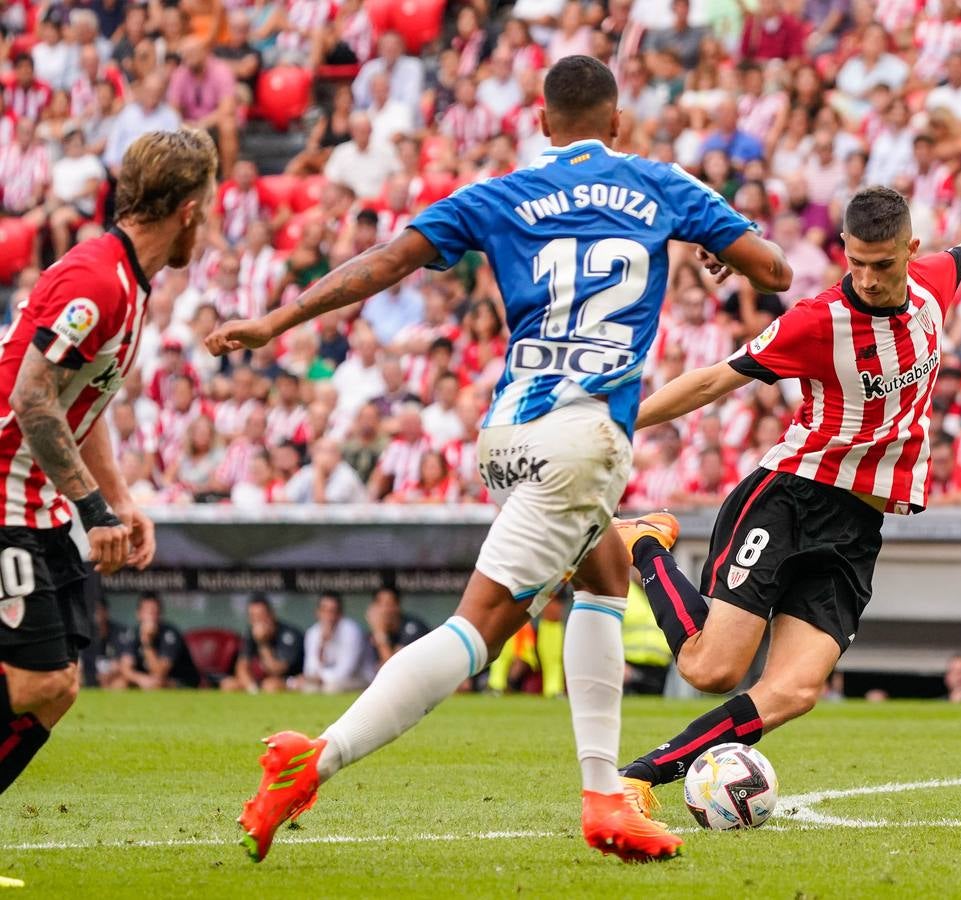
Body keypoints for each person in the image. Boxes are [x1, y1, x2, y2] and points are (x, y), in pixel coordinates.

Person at [207, 56, 790, 863]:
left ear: (542, 122)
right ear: (615, 123)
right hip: (584, 439)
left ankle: (603, 795)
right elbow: (774, 269)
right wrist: (715, 246)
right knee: (478, 628)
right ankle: (315, 762)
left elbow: (384, 262)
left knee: (606, 571)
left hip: (506, 436)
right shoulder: (659, 182)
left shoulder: (499, 193)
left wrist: (276, 322)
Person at [614, 132, 961, 812]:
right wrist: (618, 425)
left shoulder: (934, 281)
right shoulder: (816, 323)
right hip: (788, 496)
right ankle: (644, 542)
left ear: (910, 251)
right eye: (856, 262)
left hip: (856, 523)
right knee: (710, 668)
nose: (868, 278)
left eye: (881, 264)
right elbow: (710, 382)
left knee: (793, 691)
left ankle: (638, 777)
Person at [0, 128, 214, 795]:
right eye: (205, 206)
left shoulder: (127, 280)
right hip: (3, 493)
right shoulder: (100, 281)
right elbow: (31, 397)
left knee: (56, 689)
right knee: (41, 680)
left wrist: (120, 499)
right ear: (189, 210)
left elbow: (76, 403)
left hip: (32, 499)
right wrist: (93, 511)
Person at [110, 592, 201, 690]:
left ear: (160, 615)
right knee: (119, 684)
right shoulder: (132, 634)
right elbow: (125, 668)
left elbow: (159, 672)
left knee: (156, 684)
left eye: (155, 612)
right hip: (148, 679)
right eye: (148, 612)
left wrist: (147, 641)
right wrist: (141, 679)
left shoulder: (170, 635)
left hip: (179, 680)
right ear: (139, 614)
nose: (152, 617)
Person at [222, 594, 305, 694]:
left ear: (271, 615)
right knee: (228, 684)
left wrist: (263, 643)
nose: (257, 621)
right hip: (262, 682)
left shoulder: (290, 635)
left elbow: (276, 670)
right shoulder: (250, 632)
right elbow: (242, 667)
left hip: (290, 680)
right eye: (253, 616)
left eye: (261, 616)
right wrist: (252, 689)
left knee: (270, 686)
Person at [299, 592, 367, 695]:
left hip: (359, 679)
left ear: (340, 614)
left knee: (331, 688)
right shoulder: (313, 633)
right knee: (309, 688)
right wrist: (322, 644)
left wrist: (320, 678)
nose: (329, 616)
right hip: (326, 680)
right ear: (317, 612)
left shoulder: (351, 631)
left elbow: (345, 671)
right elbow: (310, 669)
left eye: (333, 611)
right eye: (324, 610)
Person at [362, 587, 429, 678]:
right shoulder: (373, 634)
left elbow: (395, 672)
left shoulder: (413, 628)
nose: (385, 610)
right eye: (380, 605)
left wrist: (379, 632)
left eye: (389, 604)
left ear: (398, 606)